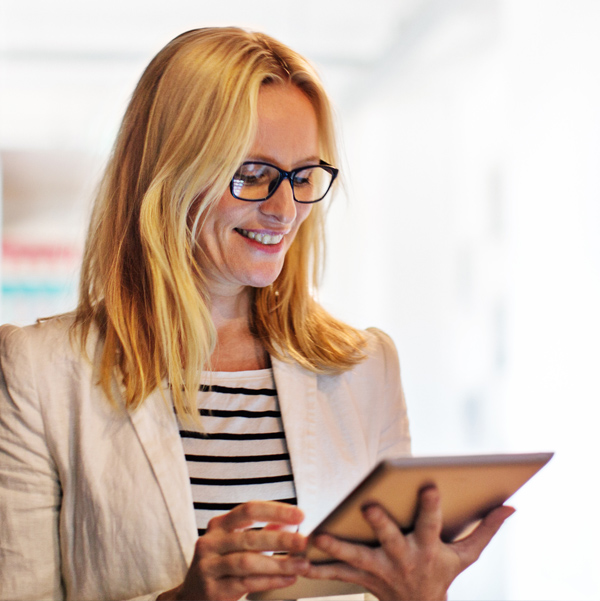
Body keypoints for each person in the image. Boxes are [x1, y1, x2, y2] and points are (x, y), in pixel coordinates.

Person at [0, 27, 513, 601]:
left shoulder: (366, 367)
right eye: (252, 175)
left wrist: (421, 594)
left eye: (301, 177)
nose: (284, 210)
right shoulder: (38, 373)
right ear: (167, 173)